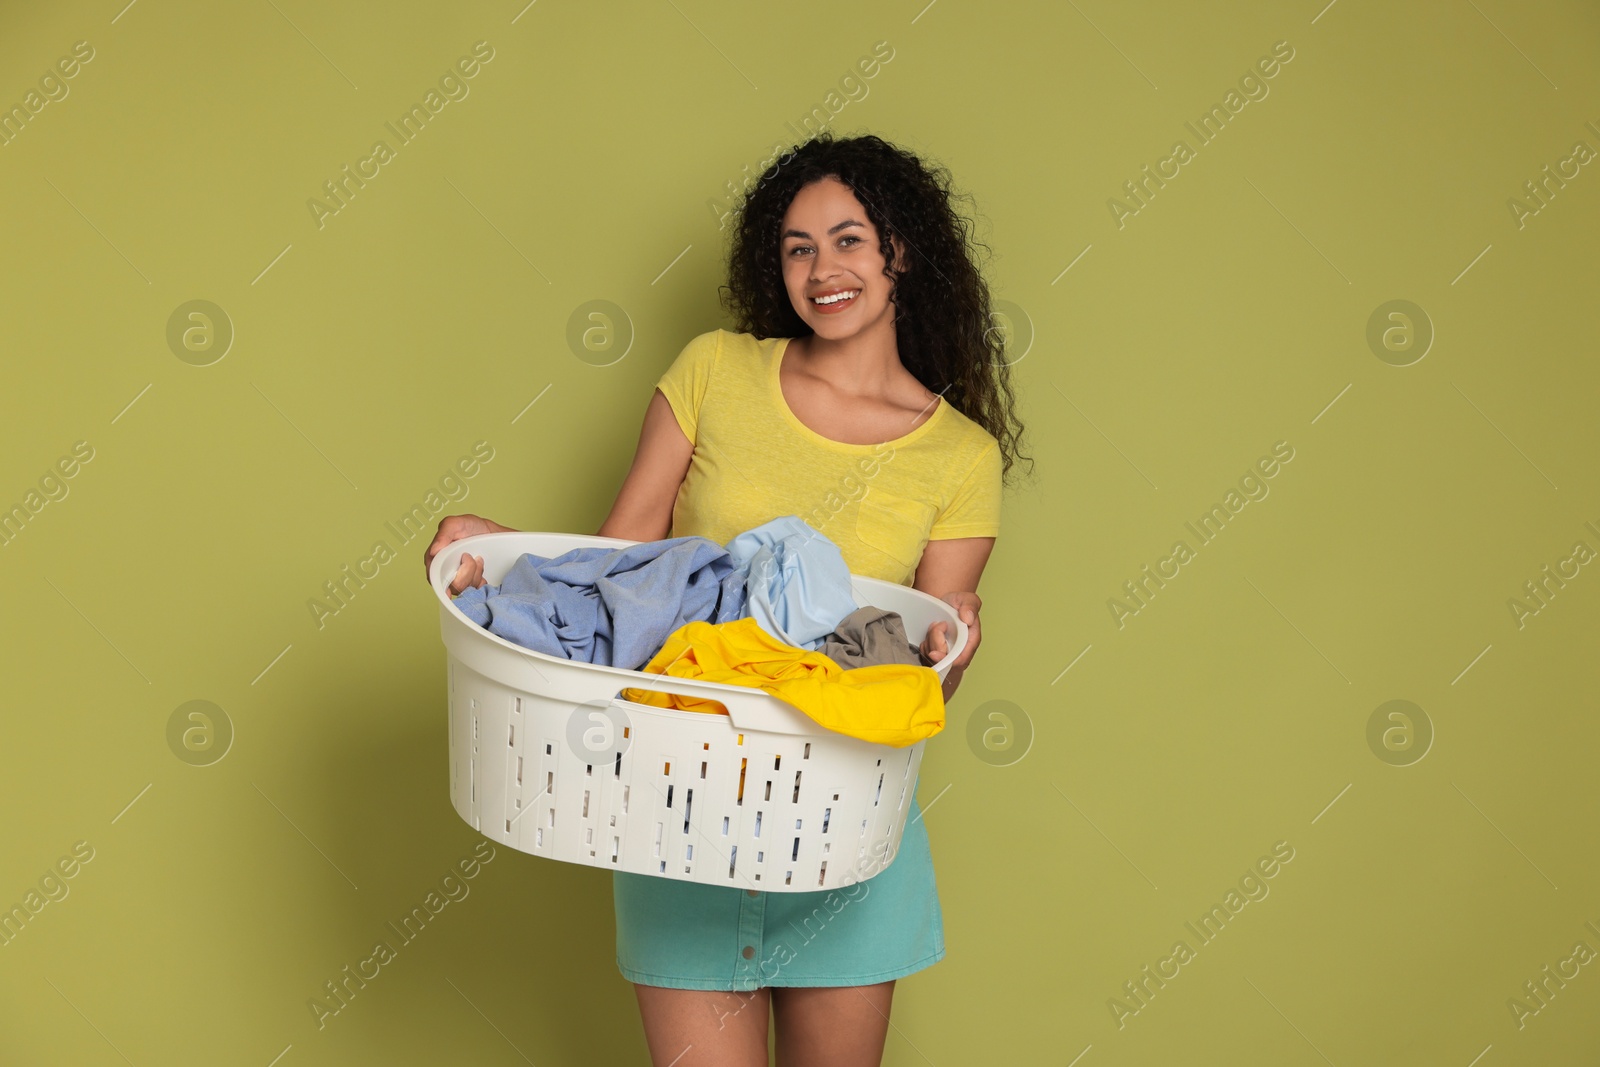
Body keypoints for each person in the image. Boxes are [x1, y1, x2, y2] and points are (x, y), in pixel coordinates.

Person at [423, 131, 1031, 1067]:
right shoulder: (714, 371)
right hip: (671, 813)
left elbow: (915, 680)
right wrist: (496, 554)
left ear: (900, 251)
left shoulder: (958, 455)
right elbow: (616, 570)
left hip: (841, 828)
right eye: (797, 247)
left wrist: (959, 650)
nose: (821, 269)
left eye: (848, 240)